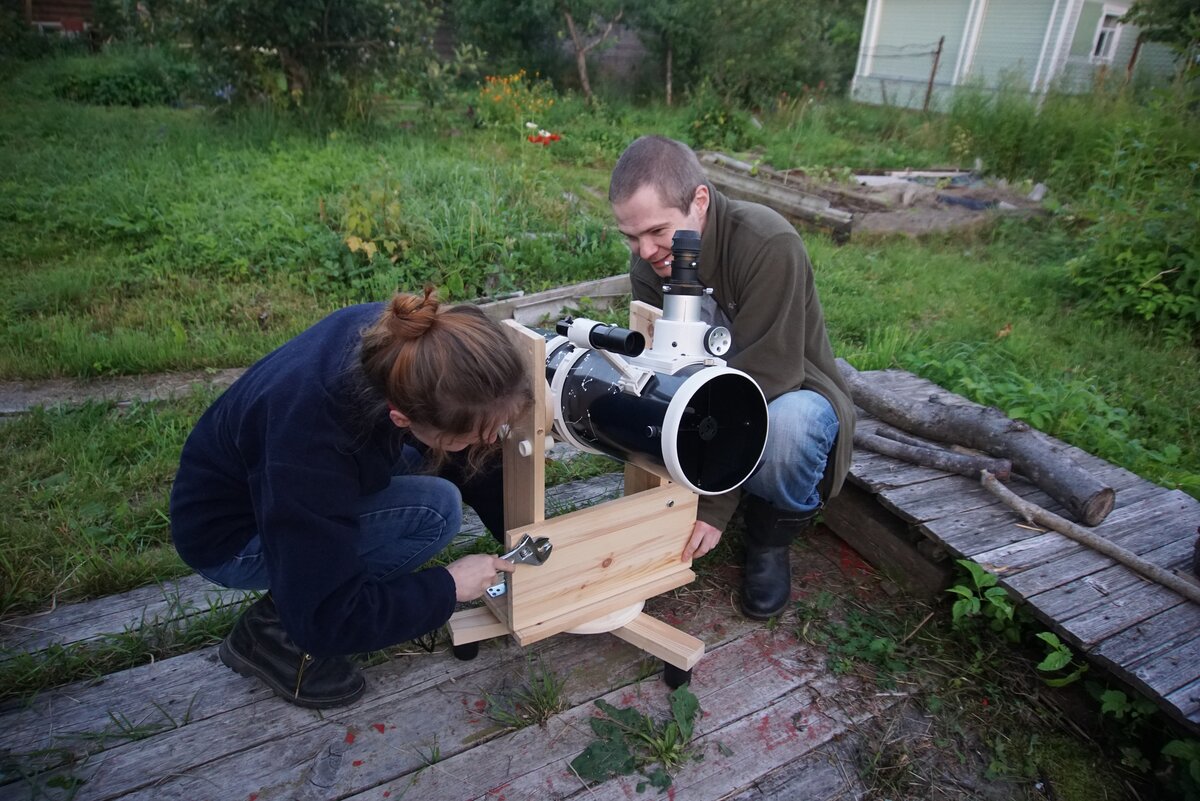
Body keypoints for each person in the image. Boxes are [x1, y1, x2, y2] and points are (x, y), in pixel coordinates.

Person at [169, 288, 529, 709]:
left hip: (284, 484)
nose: (488, 442)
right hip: (232, 537)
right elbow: (329, 619)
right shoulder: (309, 445)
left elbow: (469, 448)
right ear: (401, 416)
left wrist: (522, 533)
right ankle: (274, 634)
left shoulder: (406, 344)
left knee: (439, 467)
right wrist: (447, 587)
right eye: (476, 435)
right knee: (435, 512)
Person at [609, 135, 855, 620]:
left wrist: (714, 505)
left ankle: (768, 535)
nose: (645, 250)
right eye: (631, 237)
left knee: (790, 429)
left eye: (658, 231)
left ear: (699, 201)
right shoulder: (649, 264)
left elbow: (768, 377)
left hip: (785, 389)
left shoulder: (768, 243)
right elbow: (663, 370)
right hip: (706, 399)